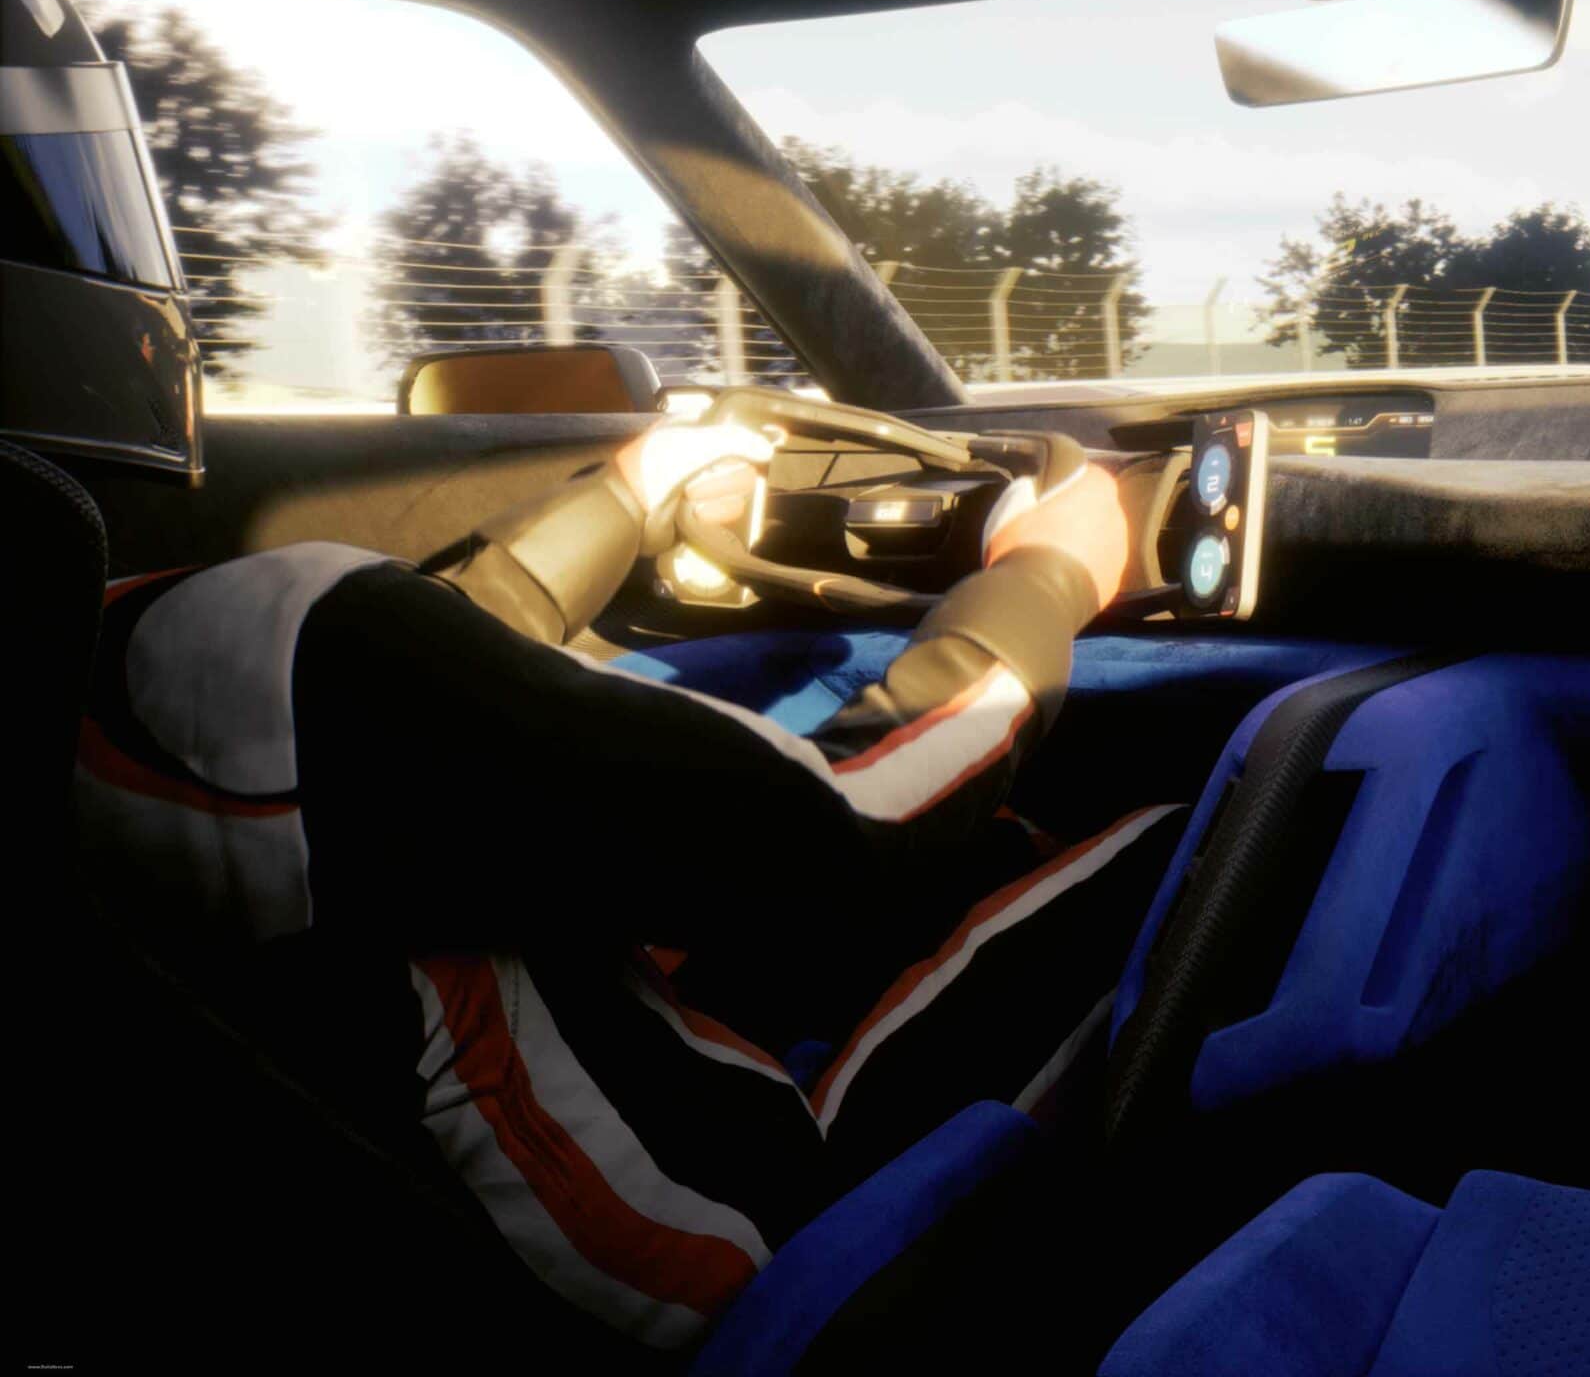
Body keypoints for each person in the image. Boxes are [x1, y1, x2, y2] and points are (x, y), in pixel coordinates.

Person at [71, 412, 1189, 1349]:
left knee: (993, 852)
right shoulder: (270, 660)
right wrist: (1048, 574)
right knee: (1192, 834)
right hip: (758, 1240)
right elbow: (851, 828)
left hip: (523, 1171)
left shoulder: (111, 679)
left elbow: (422, 711)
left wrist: (627, 494)